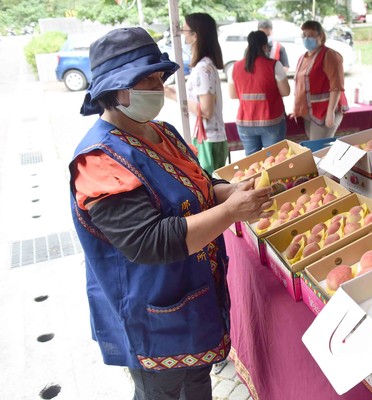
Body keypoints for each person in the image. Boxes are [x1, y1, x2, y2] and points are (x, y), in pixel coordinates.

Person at [71, 27, 273, 400]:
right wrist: (230, 212)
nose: (154, 85)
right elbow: (149, 242)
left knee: (197, 385)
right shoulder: (99, 161)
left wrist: (230, 191)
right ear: (112, 91)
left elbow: (198, 184)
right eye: (141, 79)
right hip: (152, 316)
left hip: (191, 300)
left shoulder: (162, 133)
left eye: (156, 76)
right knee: (162, 392)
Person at [165, 13, 227, 176]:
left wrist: (175, 97)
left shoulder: (203, 68)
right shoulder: (204, 66)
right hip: (208, 137)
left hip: (208, 139)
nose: (182, 33)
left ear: (195, 34)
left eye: (184, 29)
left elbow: (206, 111)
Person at [228, 30, 290, 156]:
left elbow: (233, 95)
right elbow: (286, 91)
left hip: (245, 122)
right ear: (264, 46)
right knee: (273, 161)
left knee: (252, 162)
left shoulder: (234, 67)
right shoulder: (274, 65)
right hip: (271, 121)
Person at [292, 20, 349, 140]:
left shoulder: (329, 55)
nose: (307, 39)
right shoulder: (302, 58)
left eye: (311, 35)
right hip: (309, 113)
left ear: (320, 36)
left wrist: (330, 113)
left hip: (324, 111)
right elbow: (300, 86)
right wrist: (297, 109)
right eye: (305, 35)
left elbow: (336, 86)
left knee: (319, 149)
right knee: (315, 148)